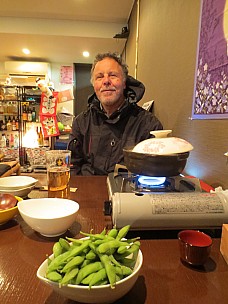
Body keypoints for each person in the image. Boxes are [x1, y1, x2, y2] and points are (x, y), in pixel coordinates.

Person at [68, 52, 163, 175]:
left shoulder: (148, 125)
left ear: (124, 83)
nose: (106, 81)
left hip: (129, 192)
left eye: (112, 75)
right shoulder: (81, 123)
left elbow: (155, 172)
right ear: (94, 85)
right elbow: (73, 166)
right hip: (87, 190)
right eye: (100, 77)